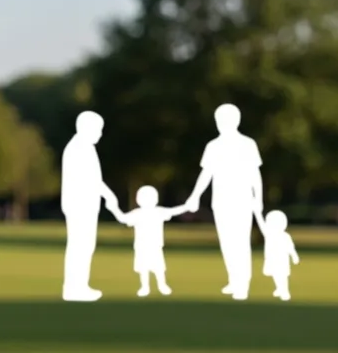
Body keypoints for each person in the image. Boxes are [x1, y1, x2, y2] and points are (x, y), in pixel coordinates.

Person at [184, 103, 263, 300]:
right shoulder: (213, 146)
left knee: (241, 242)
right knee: (226, 242)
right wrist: (195, 196)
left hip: (242, 200)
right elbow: (206, 174)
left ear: (237, 121)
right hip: (220, 201)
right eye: (220, 120)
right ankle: (233, 280)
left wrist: (259, 198)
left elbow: (255, 174)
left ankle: (242, 285)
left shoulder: (248, 144)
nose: (222, 124)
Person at [60, 111, 120, 301]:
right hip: (79, 205)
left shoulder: (86, 147)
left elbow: (95, 179)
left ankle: (80, 286)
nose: (100, 134)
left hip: (86, 205)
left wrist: (108, 195)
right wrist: (108, 195)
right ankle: (74, 288)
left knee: (85, 246)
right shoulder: (78, 148)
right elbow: (89, 180)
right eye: (97, 129)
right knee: (80, 246)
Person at [114, 186, 187, 297]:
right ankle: (145, 287)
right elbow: (123, 218)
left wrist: (187, 206)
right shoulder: (137, 213)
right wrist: (114, 209)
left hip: (155, 246)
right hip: (141, 246)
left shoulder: (159, 212)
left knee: (159, 268)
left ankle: (162, 285)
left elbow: (174, 211)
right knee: (144, 268)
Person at [260, 210, 299, 301]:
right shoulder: (269, 234)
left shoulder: (285, 236)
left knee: (282, 275)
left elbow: (290, 247)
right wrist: (258, 214)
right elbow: (262, 225)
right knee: (275, 274)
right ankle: (279, 288)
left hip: (282, 259)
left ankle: (285, 291)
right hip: (271, 259)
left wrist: (294, 256)